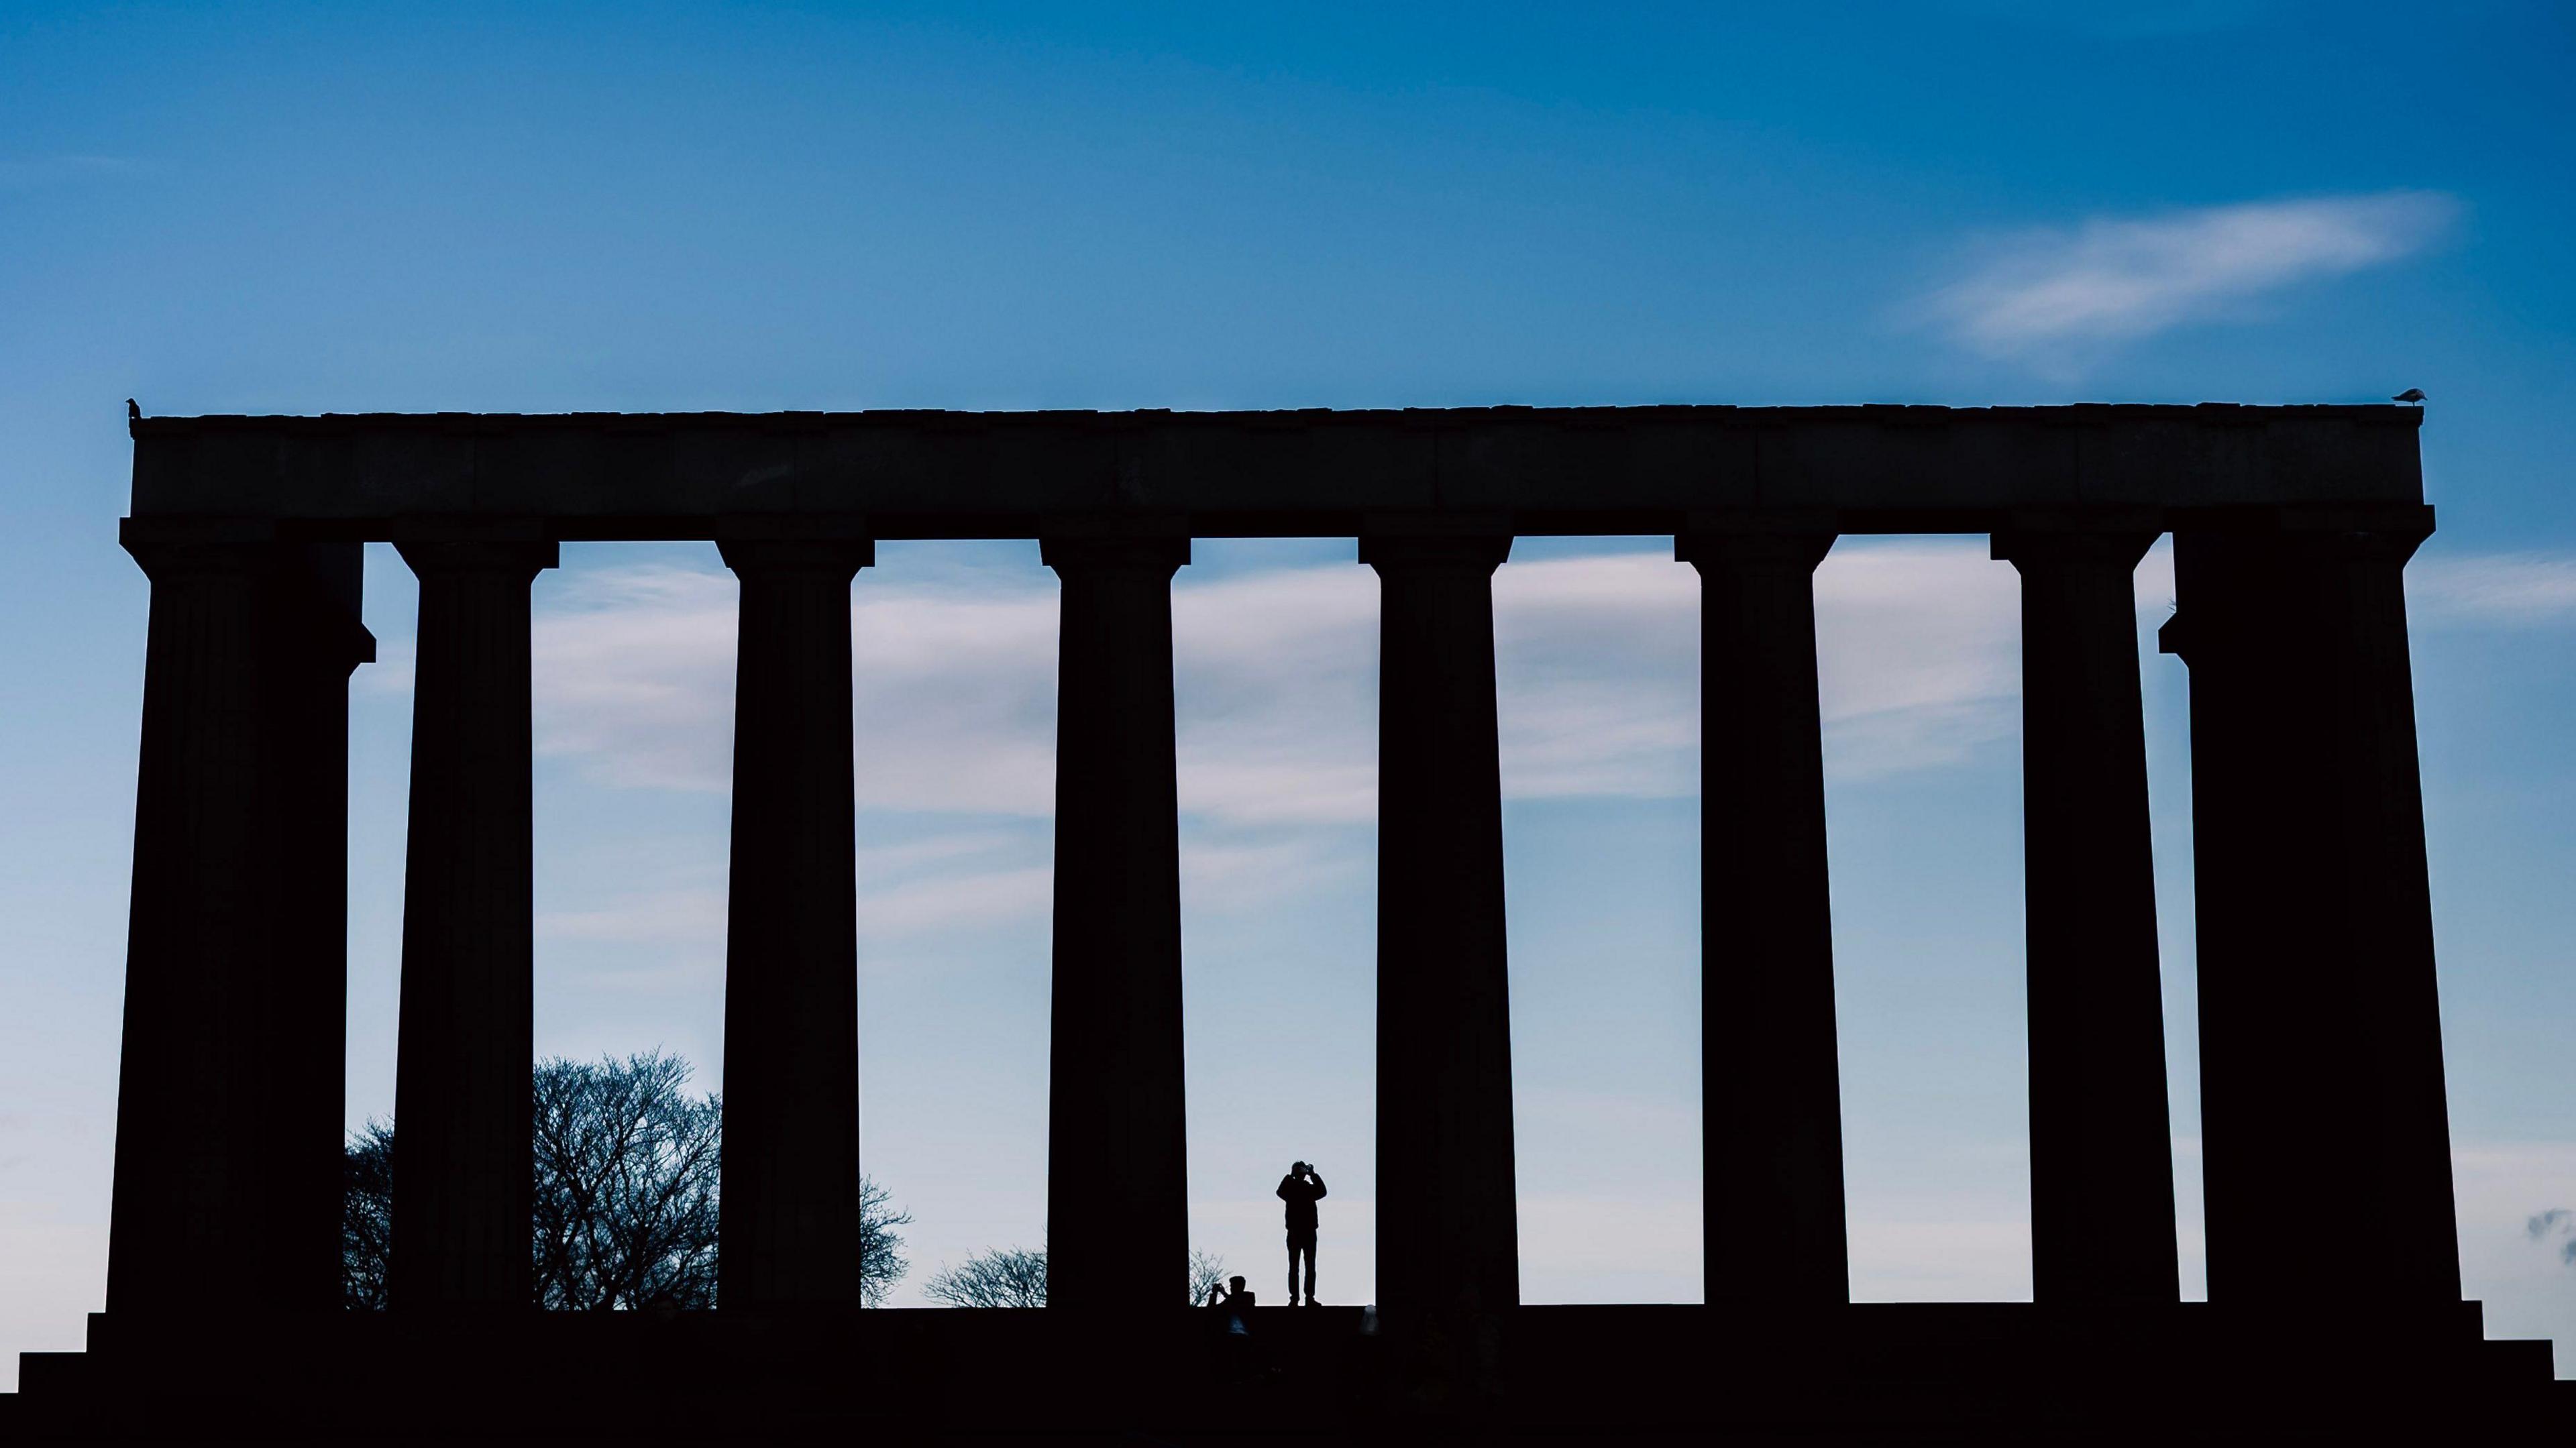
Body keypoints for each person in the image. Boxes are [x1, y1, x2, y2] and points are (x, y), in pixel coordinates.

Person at [1276, 1160, 1327, 1305]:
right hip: (1300, 1231)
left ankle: (1303, 1298)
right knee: (1300, 1266)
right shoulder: (1294, 1189)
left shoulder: (1305, 1189)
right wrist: (1311, 1175)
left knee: (1301, 1267)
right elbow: (1280, 1192)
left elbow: (1322, 1192)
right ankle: (1300, 1298)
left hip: (1304, 1231)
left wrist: (1312, 1175)